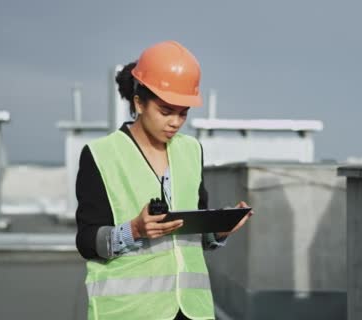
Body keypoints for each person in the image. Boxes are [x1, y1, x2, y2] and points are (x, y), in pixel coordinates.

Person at [75, 40, 254, 320]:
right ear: (139, 103)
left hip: (191, 309)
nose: (175, 122)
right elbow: (86, 241)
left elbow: (193, 233)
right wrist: (133, 230)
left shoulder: (191, 151)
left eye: (183, 113)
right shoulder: (100, 155)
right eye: (166, 111)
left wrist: (219, 230)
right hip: (128, 311)